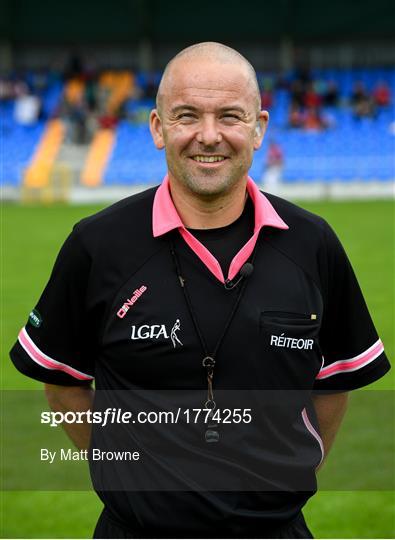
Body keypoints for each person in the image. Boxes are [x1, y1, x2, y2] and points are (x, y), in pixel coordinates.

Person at [10, 42, 390, 539]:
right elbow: (62, 379)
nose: (208, 136)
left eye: (230, 116)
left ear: (259, 129)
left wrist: (296, 465)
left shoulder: (313, 244)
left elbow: (336, 376)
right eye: (187, 115)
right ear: (157, 127)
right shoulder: (97, 244)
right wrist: (124, 470)